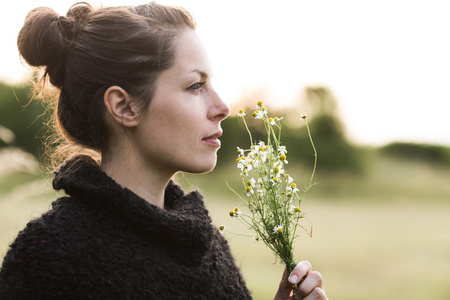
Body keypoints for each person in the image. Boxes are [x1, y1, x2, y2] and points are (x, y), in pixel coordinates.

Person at [0, 2, 327, 299]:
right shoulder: (49, 258)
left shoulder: (207, 248)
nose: (223, 107)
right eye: (195, 86)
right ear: (124, 107)